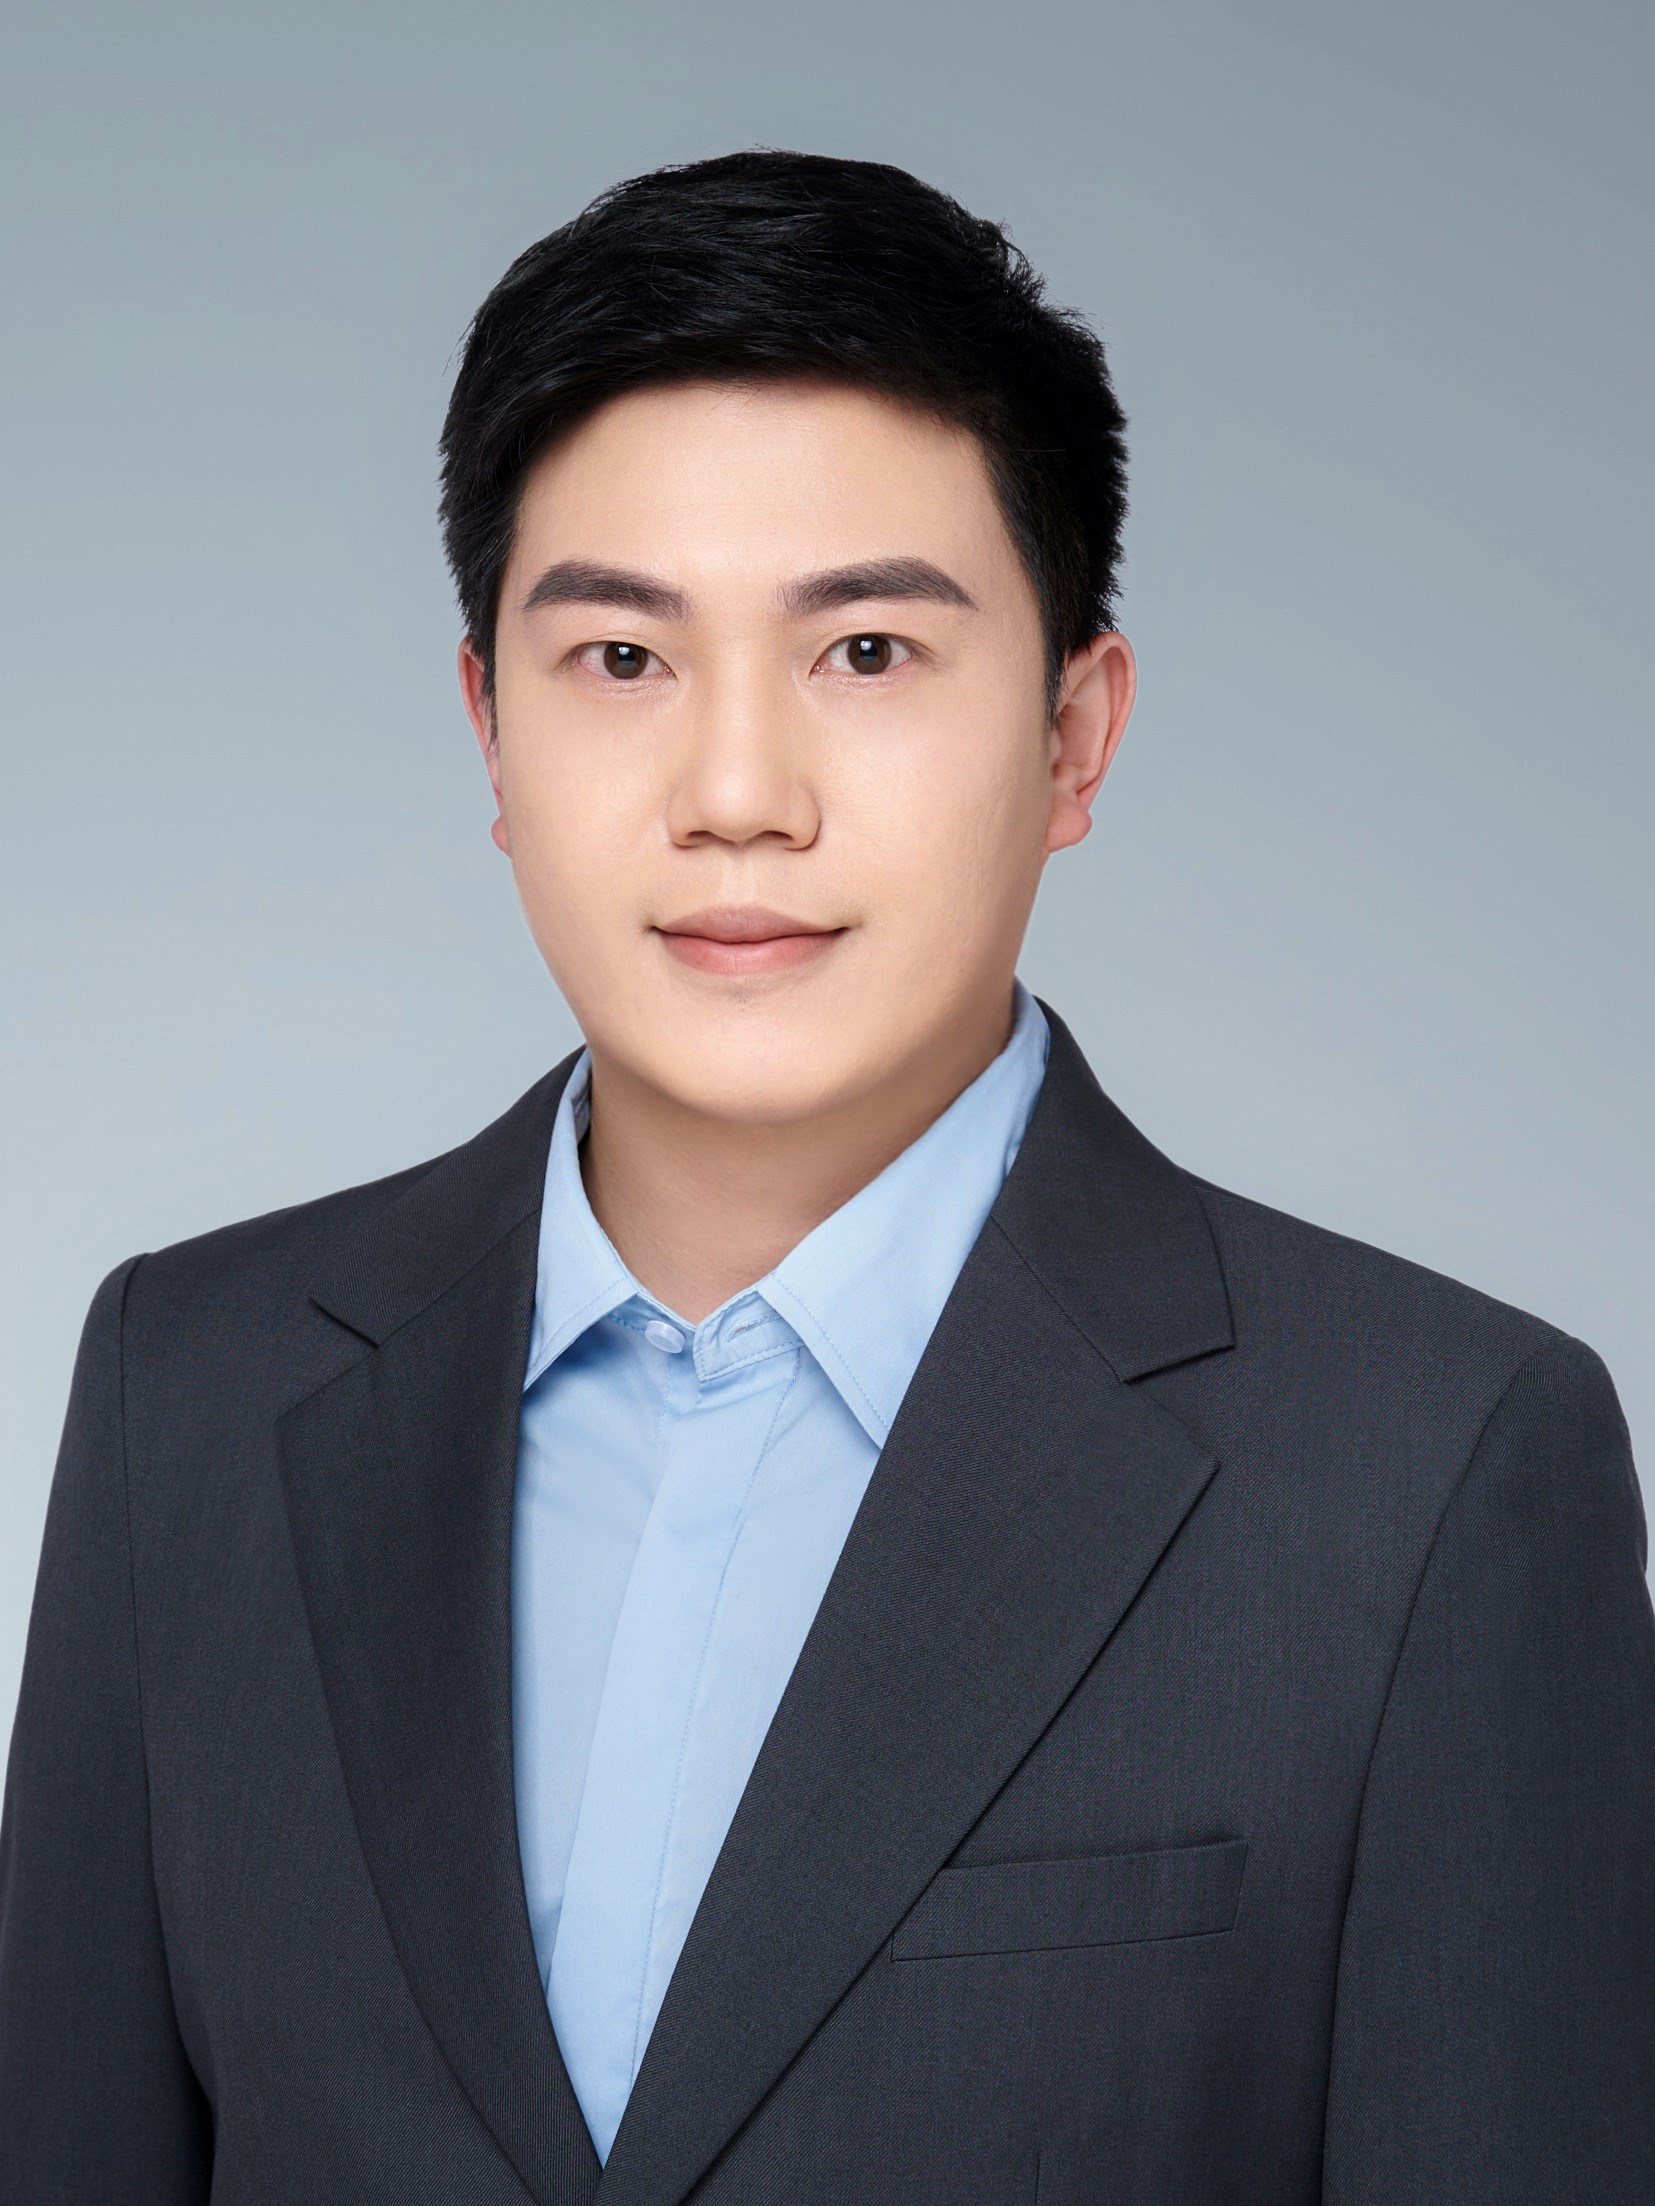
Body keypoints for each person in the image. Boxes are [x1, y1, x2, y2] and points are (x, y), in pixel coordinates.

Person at [1, 149, 1650, 2206]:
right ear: (490, 731)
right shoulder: (190, 1386)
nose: (736, 796)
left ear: (1073, 734)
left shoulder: (1433, 1468)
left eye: (866, 651)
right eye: (623, 659)